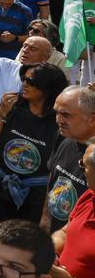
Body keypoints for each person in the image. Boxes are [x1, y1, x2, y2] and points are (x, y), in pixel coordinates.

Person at [0, 62, 67, 227]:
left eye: (31, 82)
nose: (24, 84)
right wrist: (1, 113)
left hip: (35, 196)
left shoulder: (58, 121)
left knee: (22, 243)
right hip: (2, 186)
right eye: (24, 79)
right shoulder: (12, 106)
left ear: (48, 88)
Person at [43, 85, 95, 234]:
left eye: (66, 115)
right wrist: (45, 218)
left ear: (91, 119)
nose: (58, 120)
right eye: (57, 113)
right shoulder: (63, 136)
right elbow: (53, 179)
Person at [51, 142, 95, 278]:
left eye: (84, 167)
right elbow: (65, 231)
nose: (81, 171)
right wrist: (52, 249)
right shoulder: (90, 196)